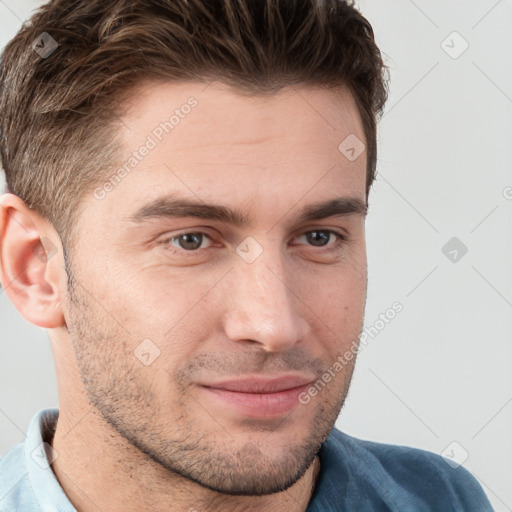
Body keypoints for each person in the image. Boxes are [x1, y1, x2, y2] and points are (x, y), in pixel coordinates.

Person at [0, 1, 494, 511]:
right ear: (35, 267)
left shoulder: (443, 500)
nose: (274, 324)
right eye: (190, 240)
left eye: (319, 236)